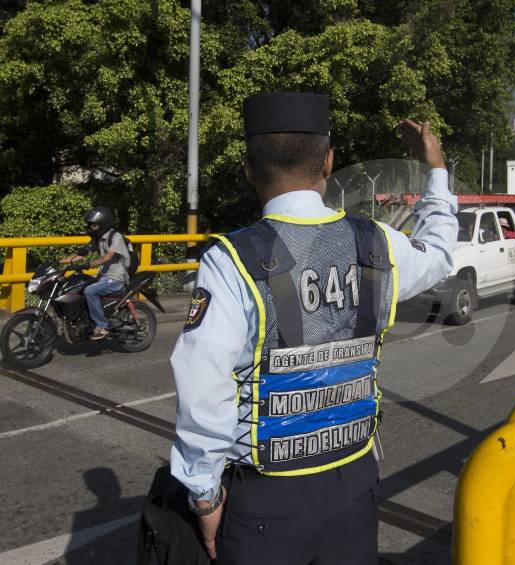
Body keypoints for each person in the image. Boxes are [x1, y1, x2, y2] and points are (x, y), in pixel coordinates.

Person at [169, 92, 458, 564]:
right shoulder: (378, 243)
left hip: (267, 499)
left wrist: (204, 496)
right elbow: (440, 255)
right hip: (355, 484)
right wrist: (435, 170)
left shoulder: (231, 259)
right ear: (328, 162)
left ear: (248, 168)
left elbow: (204, 389)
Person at [61, 207, 130, 340]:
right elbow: (82, 254)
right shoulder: (98, 238)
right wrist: (61, 262)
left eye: (94, 224)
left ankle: (102, 326)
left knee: (90, 291)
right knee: (77, 284)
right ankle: (83, 321)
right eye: (90, 224)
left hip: (116, 278)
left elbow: (108, 256)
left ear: (103, 224)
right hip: (103, 276)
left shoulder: (116, 236)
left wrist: (91, 264)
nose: (91, 227)